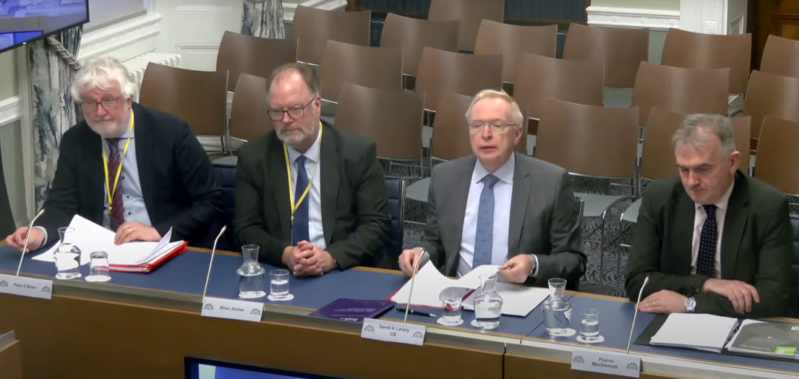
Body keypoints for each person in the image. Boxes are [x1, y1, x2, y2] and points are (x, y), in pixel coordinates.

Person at [4, 57, 223, 251]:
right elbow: (61, 204)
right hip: (101, 248)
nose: (100, 112)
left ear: (128, 100)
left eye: (109, 100)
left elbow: (210, 200)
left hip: (161, 246)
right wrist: (39, 233)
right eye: (90, 102)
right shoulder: (76, 140)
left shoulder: (170, 133)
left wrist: (158, 231)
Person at [397, 89, 586, 288]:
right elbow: (435, 243)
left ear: (517, 133)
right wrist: (421, 254)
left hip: (519, 294)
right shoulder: (444, 177)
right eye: (477, 126)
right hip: (457, 293)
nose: (485, 135)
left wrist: (533, 264)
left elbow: (574, 260)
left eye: (497, 126)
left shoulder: (551, 182)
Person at [626, 114, 792, 318]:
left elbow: (772, 297)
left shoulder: (768, 206)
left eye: (703, 169)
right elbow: (636, 281)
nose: (691, 181)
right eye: (684, 169)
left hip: (736, 324)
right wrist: (706, 284)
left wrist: (689, 304)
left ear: (732, 162)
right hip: (669, 320)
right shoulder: (660, 198)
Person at [235, 63, 390, 276]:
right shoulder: (254, 157)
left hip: (343, 270)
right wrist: (286, 254)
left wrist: (331, 257)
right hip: (280, 272)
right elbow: (246, 229)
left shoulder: (356, 153)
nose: (286, 120)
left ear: (317, 106)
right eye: (277, 111)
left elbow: (376, 225)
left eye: (296, 109)